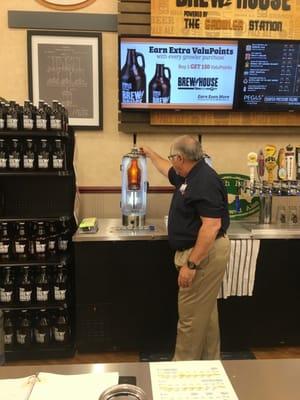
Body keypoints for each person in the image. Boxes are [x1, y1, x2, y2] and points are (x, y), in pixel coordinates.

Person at [142, 135, 230, 360]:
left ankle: (182, 373)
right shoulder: (188, 175)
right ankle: (210, 366)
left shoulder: (203, 181)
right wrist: (150, 153)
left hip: (202, 254)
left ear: (180, 158)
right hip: (202, 252)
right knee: (206, 315)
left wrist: (191, 264)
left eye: (172, 158)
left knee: (190, 319)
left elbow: (211, 226)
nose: (171, 162)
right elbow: (166, 169)